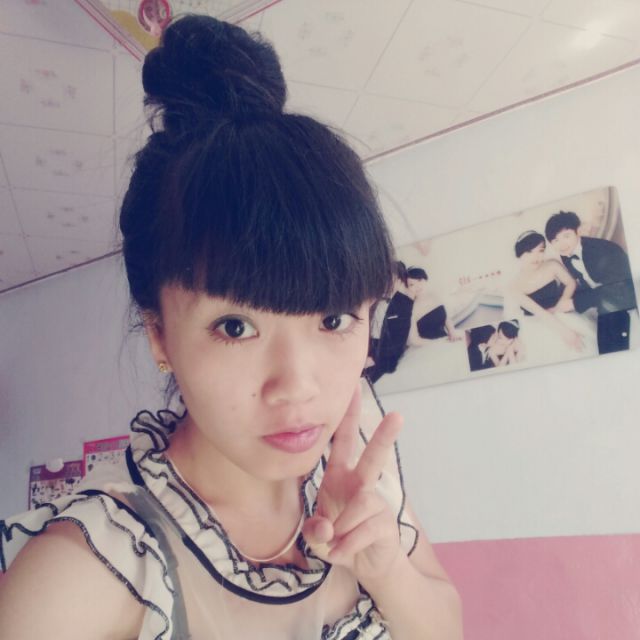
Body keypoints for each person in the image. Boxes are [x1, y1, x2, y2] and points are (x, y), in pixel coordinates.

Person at [0, 15, 461, 640]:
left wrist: (384, 569)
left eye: (333, 319)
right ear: (160, 336)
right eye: (237, 326)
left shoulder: (355, 466)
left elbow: (446, 624)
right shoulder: (89, 571)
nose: (297, 387)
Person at [545, 210, 637, 354]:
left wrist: (575, 303)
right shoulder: (567, 253)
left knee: (610, 352)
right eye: (555, 240)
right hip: (602, 301)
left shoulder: (603, 251)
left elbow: (617, 289)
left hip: (623, 298)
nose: (561, 244)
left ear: (578, 231)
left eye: (566, 236)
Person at [505, 230, 584, 352]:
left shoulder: (551, 265)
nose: (536, 257)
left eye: (540, 251)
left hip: (561, 312)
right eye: (529, 252)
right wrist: (566, 332)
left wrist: (561, 303)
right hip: (538, 321)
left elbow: (571, 283)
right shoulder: (514, 286)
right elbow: (540, 313)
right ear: (519, 254)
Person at [404, 267, 462, 346]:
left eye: (419, 280)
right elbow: (414, 340)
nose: (417, 286)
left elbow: (446, 317)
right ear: (408, 288)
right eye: (412, 284)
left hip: (446, 340)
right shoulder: (411, 309)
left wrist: (452, 331)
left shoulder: (435, 296)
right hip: (426, 347)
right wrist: (438, 344)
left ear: (425, 279)